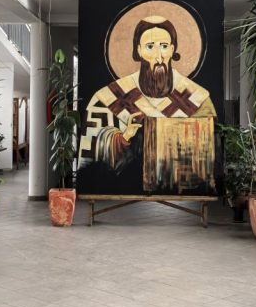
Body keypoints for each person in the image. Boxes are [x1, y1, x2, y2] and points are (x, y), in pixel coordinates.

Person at [78, 15, 216, 192]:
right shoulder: (108, 97)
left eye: (164, 46)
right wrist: (124, 138)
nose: (158, 57)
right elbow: (93, 154)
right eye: (150, 47)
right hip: (127, 182)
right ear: (139, 50)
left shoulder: (197, 98)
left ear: (172, 49)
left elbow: (208, 151)